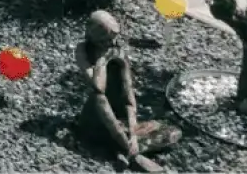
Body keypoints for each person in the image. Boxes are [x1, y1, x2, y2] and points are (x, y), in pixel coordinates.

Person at [77, 10, 181, 172]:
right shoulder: (83, 50)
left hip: (122, 121)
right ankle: (127, 150)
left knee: (172, 132)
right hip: (97, 120)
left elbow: (128, 95)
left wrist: (132, 133)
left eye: (113, 40)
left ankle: (124, 151)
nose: (112, 44)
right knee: (100, 99)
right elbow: (97, 86)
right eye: (106, 41)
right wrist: (102, 60)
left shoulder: (119, 54)